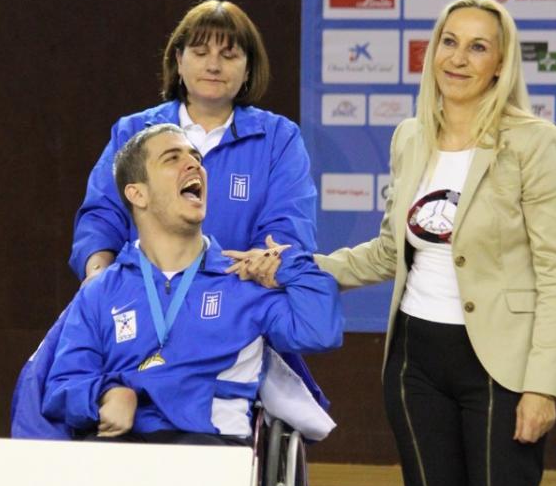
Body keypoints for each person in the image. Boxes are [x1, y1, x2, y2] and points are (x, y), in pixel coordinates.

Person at [315, 0, 556, 486]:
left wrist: (543, 383)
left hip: (501, 372)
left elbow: (554, 269)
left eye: (478, 46)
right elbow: (394, 250)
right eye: (449, 41)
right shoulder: (410, 138)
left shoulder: (533, 143)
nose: (458, 57)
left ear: (501, 63)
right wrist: (305, 271)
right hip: (416, 364)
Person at [44, 125, 341, 442]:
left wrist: (289, 267)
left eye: (196, 158)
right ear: (137, 193)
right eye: (172, 158)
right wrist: (105, 395)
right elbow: (62, 384)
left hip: (208, 448)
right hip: (123, 448)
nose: (194, 164)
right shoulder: (101, 292)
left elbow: (320, 333)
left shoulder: (241, 282)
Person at [70, 0, 317, 291]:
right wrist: (98, 274)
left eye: (229, 55)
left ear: (248, 69)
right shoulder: (133, 132)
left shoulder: (278, 138)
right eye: (200, 53)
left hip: (241, 305)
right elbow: (102, 215)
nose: (213, 66)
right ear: (178, 60)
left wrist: (259, 270)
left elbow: (288, 228)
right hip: (142, 299)